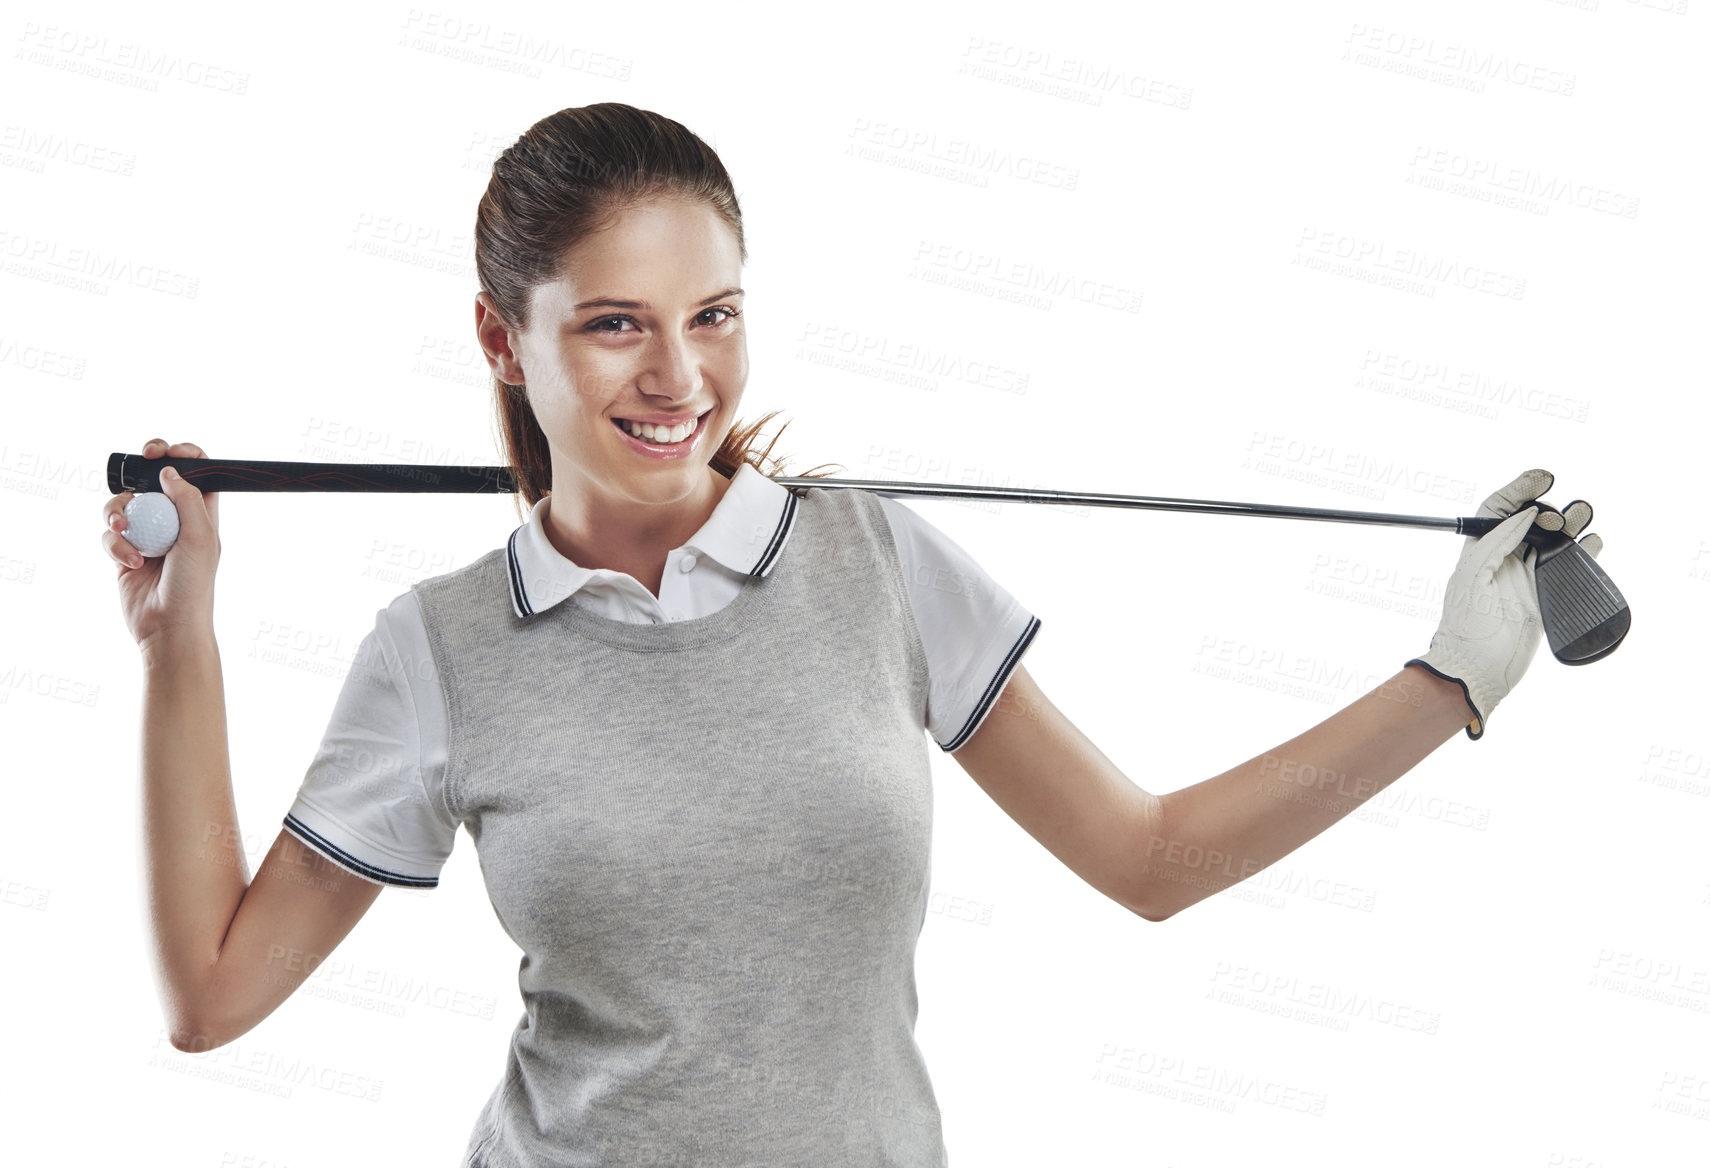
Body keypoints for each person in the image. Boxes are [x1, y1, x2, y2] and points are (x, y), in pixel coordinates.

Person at [102, 103, 1607, 1167]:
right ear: (503, 336)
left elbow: (1150, 861)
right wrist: (184, 638)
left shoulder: (871, 558)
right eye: (614, 322)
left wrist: (1444, 683)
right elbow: (214, 1001)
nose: (678, 375)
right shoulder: (440, 646)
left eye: (716, 315)